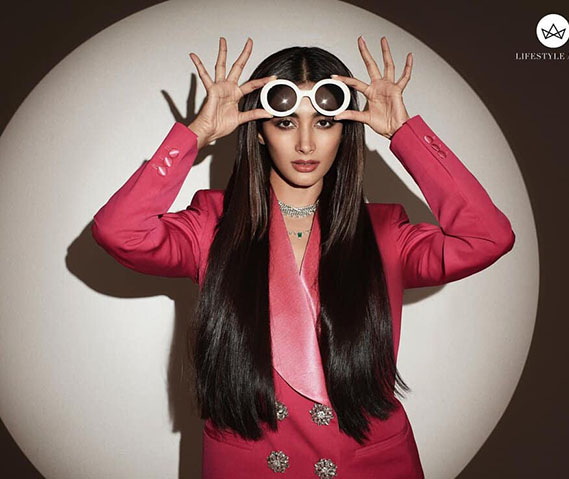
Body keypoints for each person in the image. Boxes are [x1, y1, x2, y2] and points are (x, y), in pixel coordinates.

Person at [91, 36, 515, 479]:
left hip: (368, 462)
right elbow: (118, 232)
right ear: (259, 130)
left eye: (325, 123)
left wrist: (405, 133)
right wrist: (194, 136)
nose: (307, 144)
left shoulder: (385, 232)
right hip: (250, 462)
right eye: (286, 123)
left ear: (345, 130)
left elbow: (488, 237)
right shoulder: (211, 225)